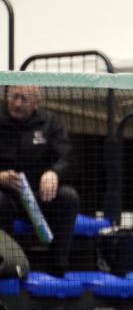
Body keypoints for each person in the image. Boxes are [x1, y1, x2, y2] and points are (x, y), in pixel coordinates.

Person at [0, 85, 79, 275]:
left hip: (38, 196)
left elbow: (67, 156)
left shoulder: (50, 122)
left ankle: (57, 268)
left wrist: (54, 173)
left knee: (68, 197)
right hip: (5, 196)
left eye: (24, 99)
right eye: (13, 97)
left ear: (36, 103)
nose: (17, 103)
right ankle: (6, 266)